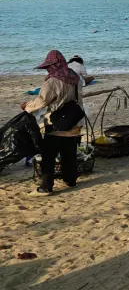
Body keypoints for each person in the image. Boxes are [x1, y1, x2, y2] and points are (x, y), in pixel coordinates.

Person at [21, 50, 84, 195]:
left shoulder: (52, 82)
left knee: (48, 156)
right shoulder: (75, 77)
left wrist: (27, 107)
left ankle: (46, 186)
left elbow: (42, 102)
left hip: (56, 123)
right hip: (74, 121)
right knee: (69, 152)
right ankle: (70, 180)